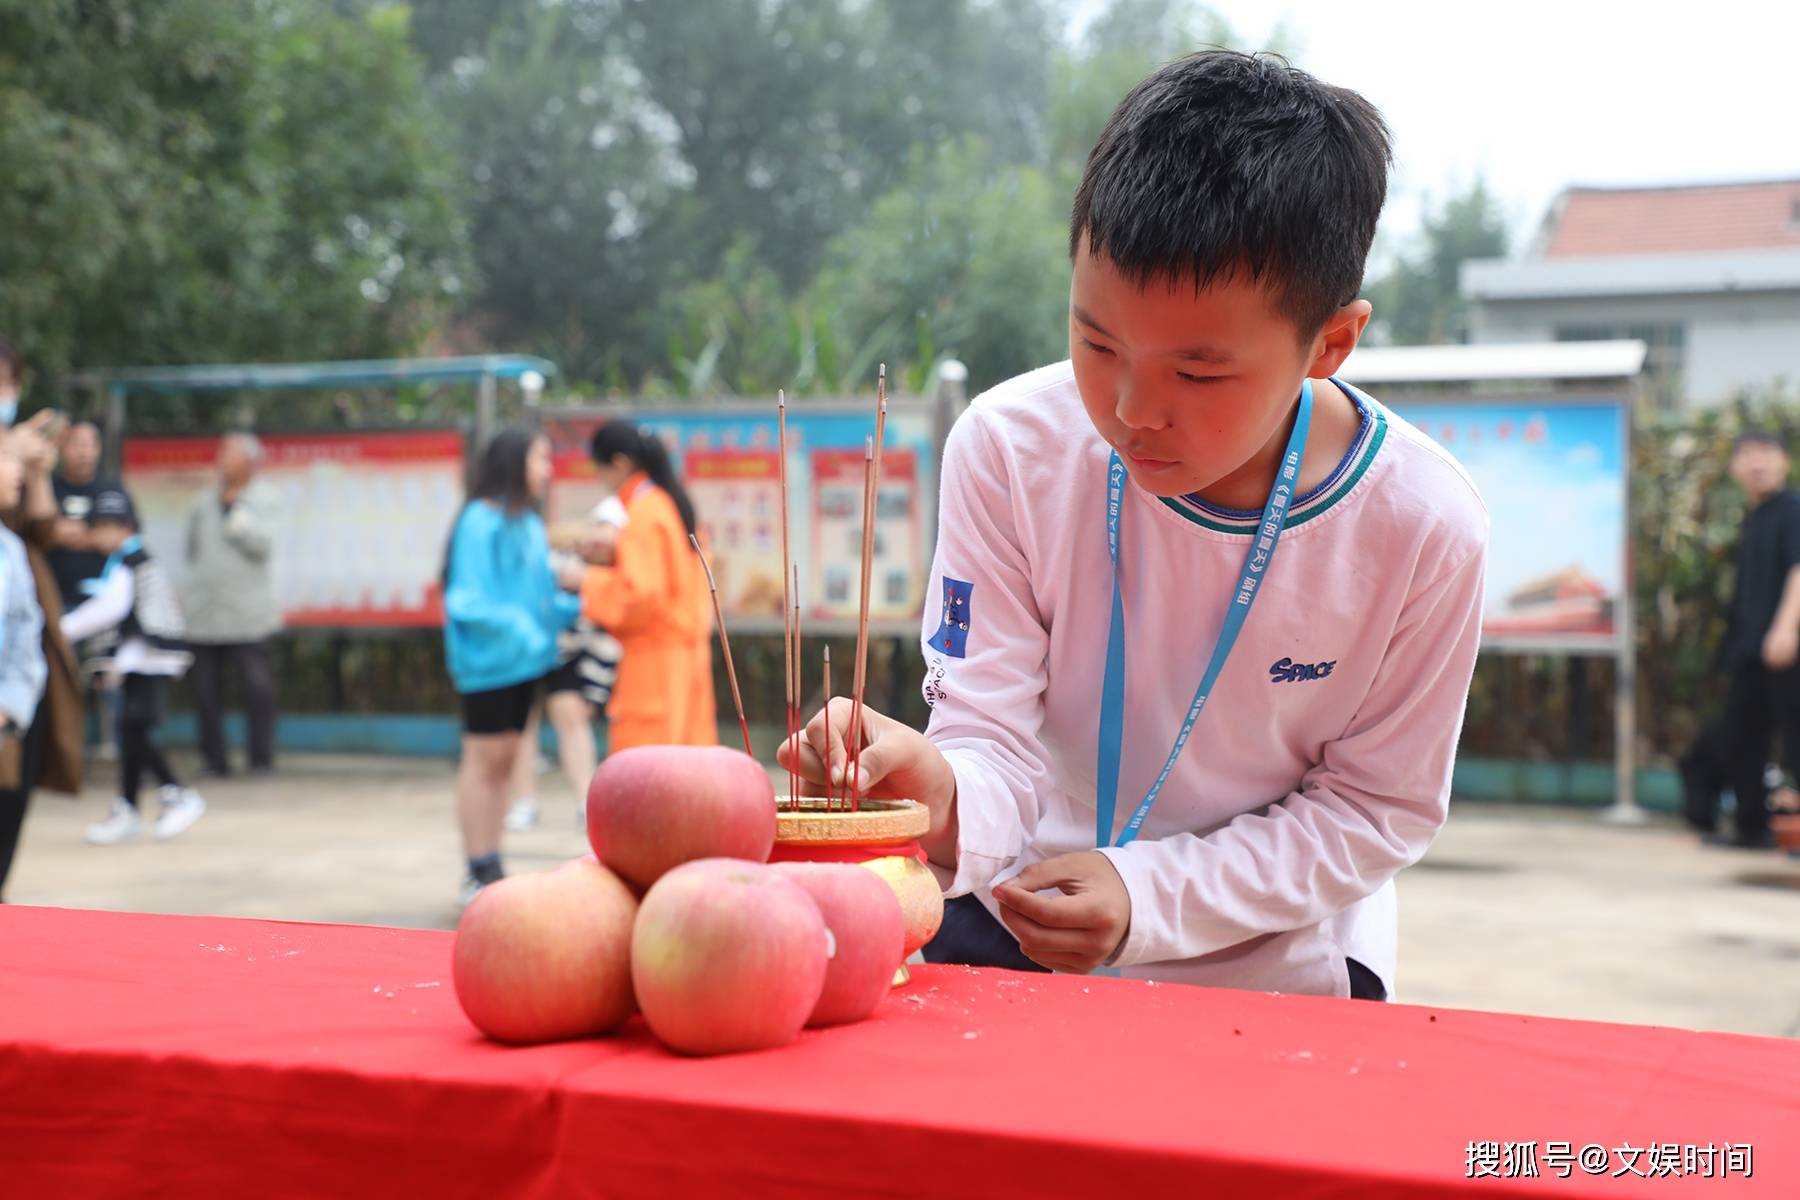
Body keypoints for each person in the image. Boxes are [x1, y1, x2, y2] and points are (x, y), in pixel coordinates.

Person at [779, 51, 1488, 1000]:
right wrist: (941, 791)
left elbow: (1372, 810)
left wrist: (1149, 893)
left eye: (1198, 374)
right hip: (1018, 903)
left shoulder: (1419, 526)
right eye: (1095, 342)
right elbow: (991, 733)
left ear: (1330, 343)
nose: (1132, 410)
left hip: (1270, 956)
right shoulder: (1009, 449)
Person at [442, 428, 579, 903]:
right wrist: (522, 627)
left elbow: (542, 596)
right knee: (483, 763)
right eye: (541, 458)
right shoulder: (480, 522)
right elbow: (468, 599)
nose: (548, 469)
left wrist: (575, 609)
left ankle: (492, 859)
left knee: (503, 763)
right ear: (514, 462)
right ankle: (476, 865)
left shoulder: (528, 523)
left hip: (526, 665)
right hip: (487, 666)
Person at [63, 488, 205, 844]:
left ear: (122, 527)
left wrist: (59, 630)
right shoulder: (126, 560)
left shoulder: (130, 562)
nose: (93, 536)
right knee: (130, 733)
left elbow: (110, 611)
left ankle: (177, 794)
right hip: (138, 662)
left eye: (98, 527)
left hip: (150, 661)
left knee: (134, 733)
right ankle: (127, 808)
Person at [570, 421, 715, 752]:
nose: (600, 480)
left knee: (647, 779)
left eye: (600, 469)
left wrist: (586, 580)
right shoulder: (670, 503)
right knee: (688, 777)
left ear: (619, 463)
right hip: (688, 665)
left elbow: (639, 596)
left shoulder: (643, 512)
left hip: (655, 667)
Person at [0, 342, 85, 900]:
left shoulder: (10, 547)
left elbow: (44, 529)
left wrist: (33, 471)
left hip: (19, 619)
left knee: (17, 771)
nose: (5, 396)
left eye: (9, 383)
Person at [1699, 430, 1800, 851]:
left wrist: (1787, 628)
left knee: (1795, 738)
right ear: (1734, 467)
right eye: (1748, 455)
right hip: (1751, 651)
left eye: (1767, 453)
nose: (1758, 463)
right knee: (1743, 737)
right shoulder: (1756, 515)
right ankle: (1751, 828)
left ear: (1785, 462)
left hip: (1785, 646)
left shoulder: (1793, 509)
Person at [505, 494, 626, 832]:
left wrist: (595, 692)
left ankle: (586, 801)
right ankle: (524, 802)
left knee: (570, 715)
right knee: (522, 723)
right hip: (526, 646)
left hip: (567, 655)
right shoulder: (560, 553)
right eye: (601, 527)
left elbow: (604, 644)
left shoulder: (608, 575)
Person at [182, 432, 279, 778]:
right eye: (220, 452)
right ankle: (214, 760)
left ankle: (261, 759)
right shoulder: (202, 502)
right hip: (205, 611)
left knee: (257, 688)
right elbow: (191, 550)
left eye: (230, 453)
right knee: (206, 691)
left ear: (250, 462)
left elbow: (264, 545)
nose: (222, 459)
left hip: (248, 612)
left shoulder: (265, 499)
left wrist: (239, 521)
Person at [0, 436, 49, 896]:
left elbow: (25, 637)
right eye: (10, 460)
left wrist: (9, 706)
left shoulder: (10, 550)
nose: (19, 473)